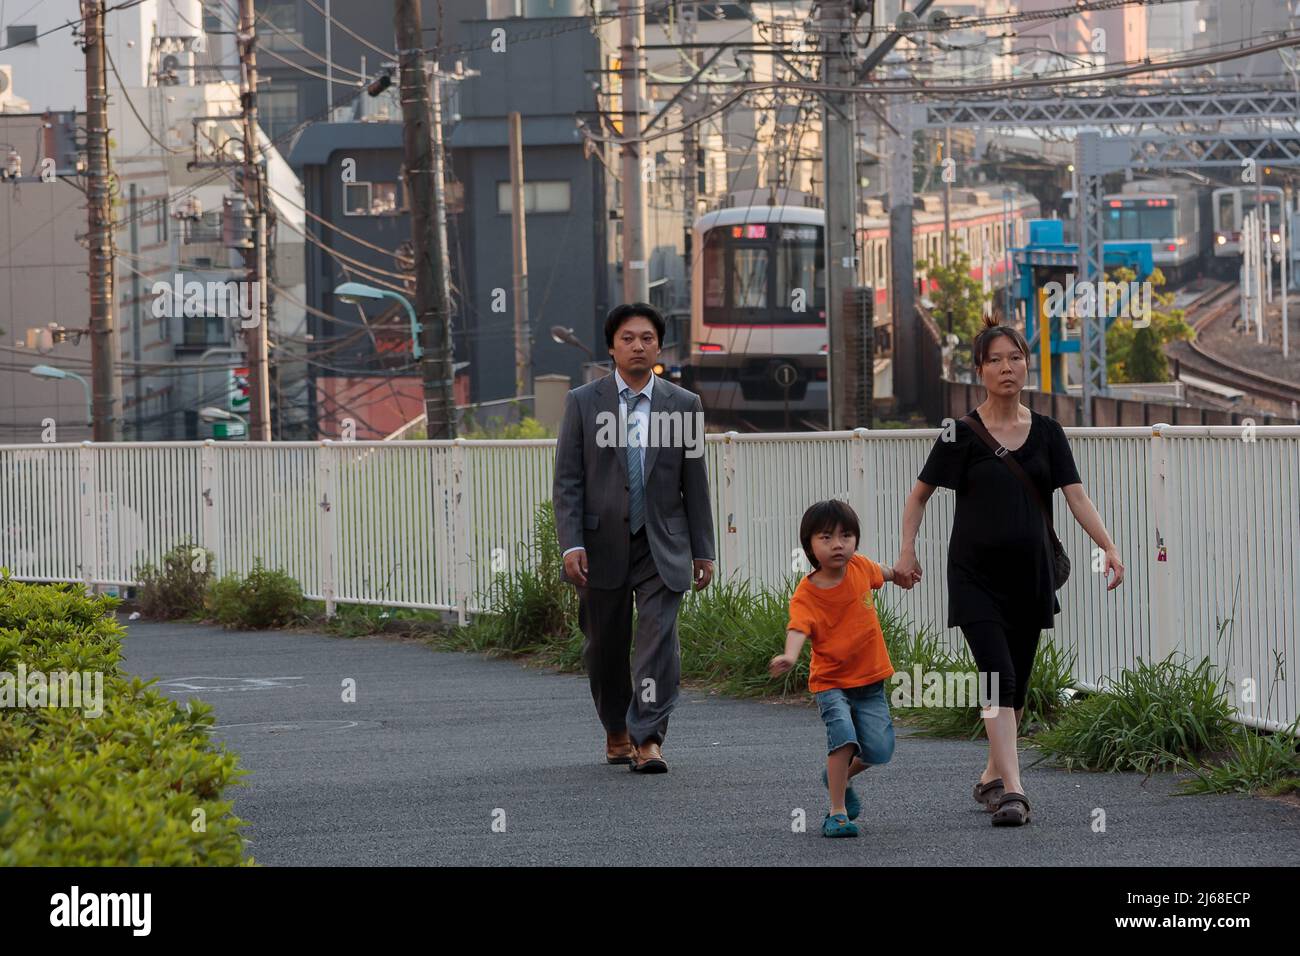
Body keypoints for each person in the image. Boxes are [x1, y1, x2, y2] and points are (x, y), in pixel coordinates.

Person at [893, 319, 1126, 827]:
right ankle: (1015, 791)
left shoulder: (1047, 432)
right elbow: (919, 495)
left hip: (1031, 575)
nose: (1007, 367)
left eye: (1015, 357)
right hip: (974, 577)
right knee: (997, 675)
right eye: (996, 359)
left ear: (1026, 364)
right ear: (979, 370)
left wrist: (1108, 547)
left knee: (1014, 687)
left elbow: (1076, 495)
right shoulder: (960, 432)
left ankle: (990, 777)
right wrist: (907, 552)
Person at [552, 303, 716, 773]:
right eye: (628, 338)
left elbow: (695, 482)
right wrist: (571, 542)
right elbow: (568, 480)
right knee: (604, 644)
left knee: (658, 640)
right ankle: (617, 730)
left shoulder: (684, 405)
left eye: (647, 338)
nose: (638, 345)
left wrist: (703, 549)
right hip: (599, 546)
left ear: (659, 346)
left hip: (663, 542)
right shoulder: (583, 402)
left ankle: (648, 738)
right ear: (611, 347)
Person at [769, 500, 903, 838]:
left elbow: (884, 572)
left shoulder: (860, 568)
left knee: (878, 750)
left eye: (846, 536)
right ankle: (837, 812)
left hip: (871, 682)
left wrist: (901, 575)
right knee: (843, 738)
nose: (837, 544)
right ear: (810, 546)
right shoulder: (807, 593)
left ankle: (836, 776)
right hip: (831, 684)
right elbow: (798, 628)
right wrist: (789, 656)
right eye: (826, 537)